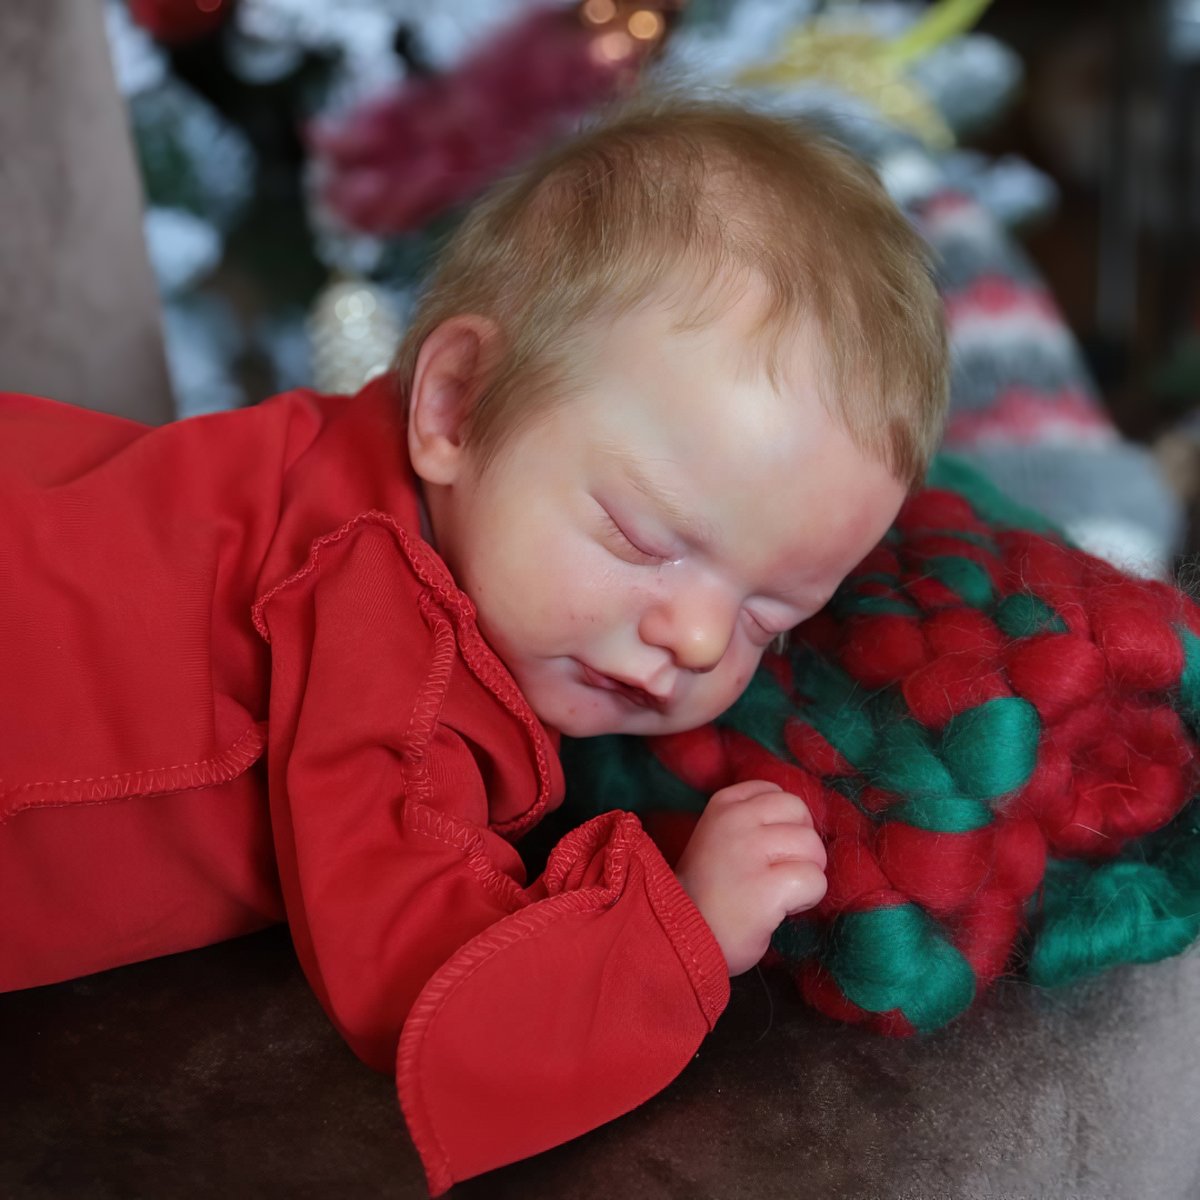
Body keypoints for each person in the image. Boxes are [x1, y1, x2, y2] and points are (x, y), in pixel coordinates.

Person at [0, 96, 946, 1193]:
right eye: (642, 539)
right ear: (455, 405)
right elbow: (433, 1001)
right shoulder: (379, 611)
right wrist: (676, 932)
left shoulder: (344, 485)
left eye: (765, 620)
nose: (693, 637)